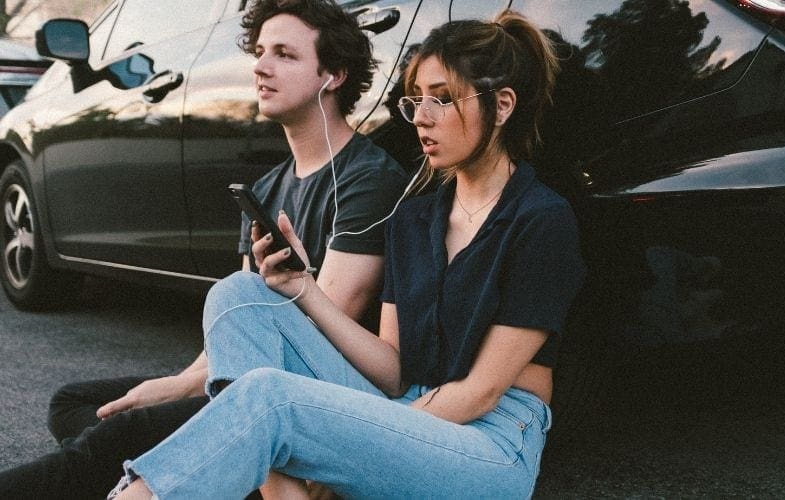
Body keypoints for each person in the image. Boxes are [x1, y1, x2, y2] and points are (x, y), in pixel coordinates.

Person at [111, 8, 586, 499]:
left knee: (272, 401)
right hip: (411, 406)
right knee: (240, 296)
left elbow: (481, 392)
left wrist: (339, 445)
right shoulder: (414, 218)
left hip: (491, 442)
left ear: (503, 105)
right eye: (416, 100)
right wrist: (303, 290)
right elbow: (394, 368)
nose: (422, 117)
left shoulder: (540, 220)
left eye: (442, 99)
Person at [0, 0, 408, 498]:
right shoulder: (268, 187)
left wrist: (184, 390)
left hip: (304, 395)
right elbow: (234, 318)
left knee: (115, 434)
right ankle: (209, 474)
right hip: (246, 377)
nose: (260, 66)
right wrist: (183, 380)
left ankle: (185, 467)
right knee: (75, 401)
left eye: (284, 54)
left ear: (334, 75)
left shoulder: (367, 180)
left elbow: (312, 337)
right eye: (259, 52)